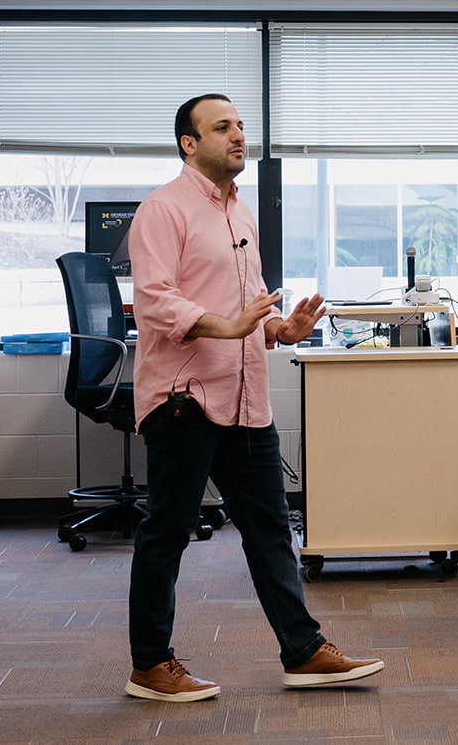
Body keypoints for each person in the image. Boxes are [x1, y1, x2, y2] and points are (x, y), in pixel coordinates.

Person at [123, 93, 384, 702]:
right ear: (189, 143)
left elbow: (251, 299)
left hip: (244, 399)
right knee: (169, 530)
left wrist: (277, 329)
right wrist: (228, 325)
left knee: (270, 526)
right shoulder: (163, 209)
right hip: (184, 398)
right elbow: (154, 300)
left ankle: (303, 649)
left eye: (240, 125)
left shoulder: (241, 214)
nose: (239, 135)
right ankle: (149, 664)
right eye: (222, 127)